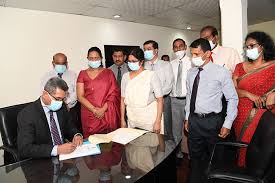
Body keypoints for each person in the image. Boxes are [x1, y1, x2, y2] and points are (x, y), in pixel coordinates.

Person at [184, 38, 238, 183]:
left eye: (196, 54)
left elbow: (232, 99)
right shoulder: (190, 73)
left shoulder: (221, 72)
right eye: (192, 54)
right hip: (194, 121)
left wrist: (227, 123)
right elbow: (190, 95)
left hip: (212, 122)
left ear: (207, 53)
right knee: (195, 159)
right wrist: (188, 117)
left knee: (215, 159)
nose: (193, 58)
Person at [232, 31, 275, 167]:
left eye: (252, 46)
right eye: (246, 47)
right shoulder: (240, 67)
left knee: (263, 150)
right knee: (244, 146)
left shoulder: (273, 66)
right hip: (242, 113)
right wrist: (248, 94)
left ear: (262, 47)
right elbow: (232, 91)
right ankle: (244, 173)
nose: (248, 49)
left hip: (264, 112)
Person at [17, 77, 83, 159]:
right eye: (57, 99)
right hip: (42, 160)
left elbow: (70, 127)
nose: (60, 103)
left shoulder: (62, 107)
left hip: (64, 157)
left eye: (63, 99)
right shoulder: (27, 115)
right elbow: (25, 149)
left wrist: (76, 135)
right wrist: (57, 150)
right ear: (45, 94)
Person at [120, 48, 165, 151]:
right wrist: (122, 119)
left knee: (151, 148)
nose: (131, 64)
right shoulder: (125, 77)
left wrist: (158, 121)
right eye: (129, 61)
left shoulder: (151, 75)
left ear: (141, 62)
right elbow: (122, 99)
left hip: (149, 119)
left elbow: (160, 99)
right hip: (132, 118)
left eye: (134, 61)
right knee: (135, 149)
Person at [77, 47, 120, 138]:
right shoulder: (82, 74)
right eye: (91, 58)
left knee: (109, 143)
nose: (94, 60)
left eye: (96, 58)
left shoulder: (109, 73)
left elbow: (114, 93)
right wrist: (94, 110)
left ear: (101, 58)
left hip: (106, 113)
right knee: (91, 143)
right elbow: (80, 96)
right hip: (89, 113)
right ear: (87, 59)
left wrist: (103, 109)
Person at [40, 53, 81, 131]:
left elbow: (76, 92)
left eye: (63, 63)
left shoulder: (72, 74)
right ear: (53, 63)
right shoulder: (47, 76)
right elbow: (44, 93)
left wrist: (67, 103)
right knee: (58, 132)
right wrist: (62, 104)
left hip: (71, 110)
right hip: (54, 110)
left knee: (73, 131)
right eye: (58, 63)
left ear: (66, 63)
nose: (61, 66)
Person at [143, 40, 174, 140]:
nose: (146, 51)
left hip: (163, 99)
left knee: (165, 127)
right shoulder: (143, 66)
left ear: (156, 50)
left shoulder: (165, 64)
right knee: (151, 127)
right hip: (148, 101)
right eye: (144, 49)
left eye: (149, 49)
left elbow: (169, 85)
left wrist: (157, 96)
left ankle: (168, 151)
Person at [170, 38, 192, 157]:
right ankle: (178, 154)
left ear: (185, 47)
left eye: (180, 46)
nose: (178, 49)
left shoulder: (192, 62)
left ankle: (191, 155)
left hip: (188, 101)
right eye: (176, 47)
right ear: (173, 49)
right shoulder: (171, 64)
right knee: (176, 130)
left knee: (191, 129)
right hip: (174, 101)